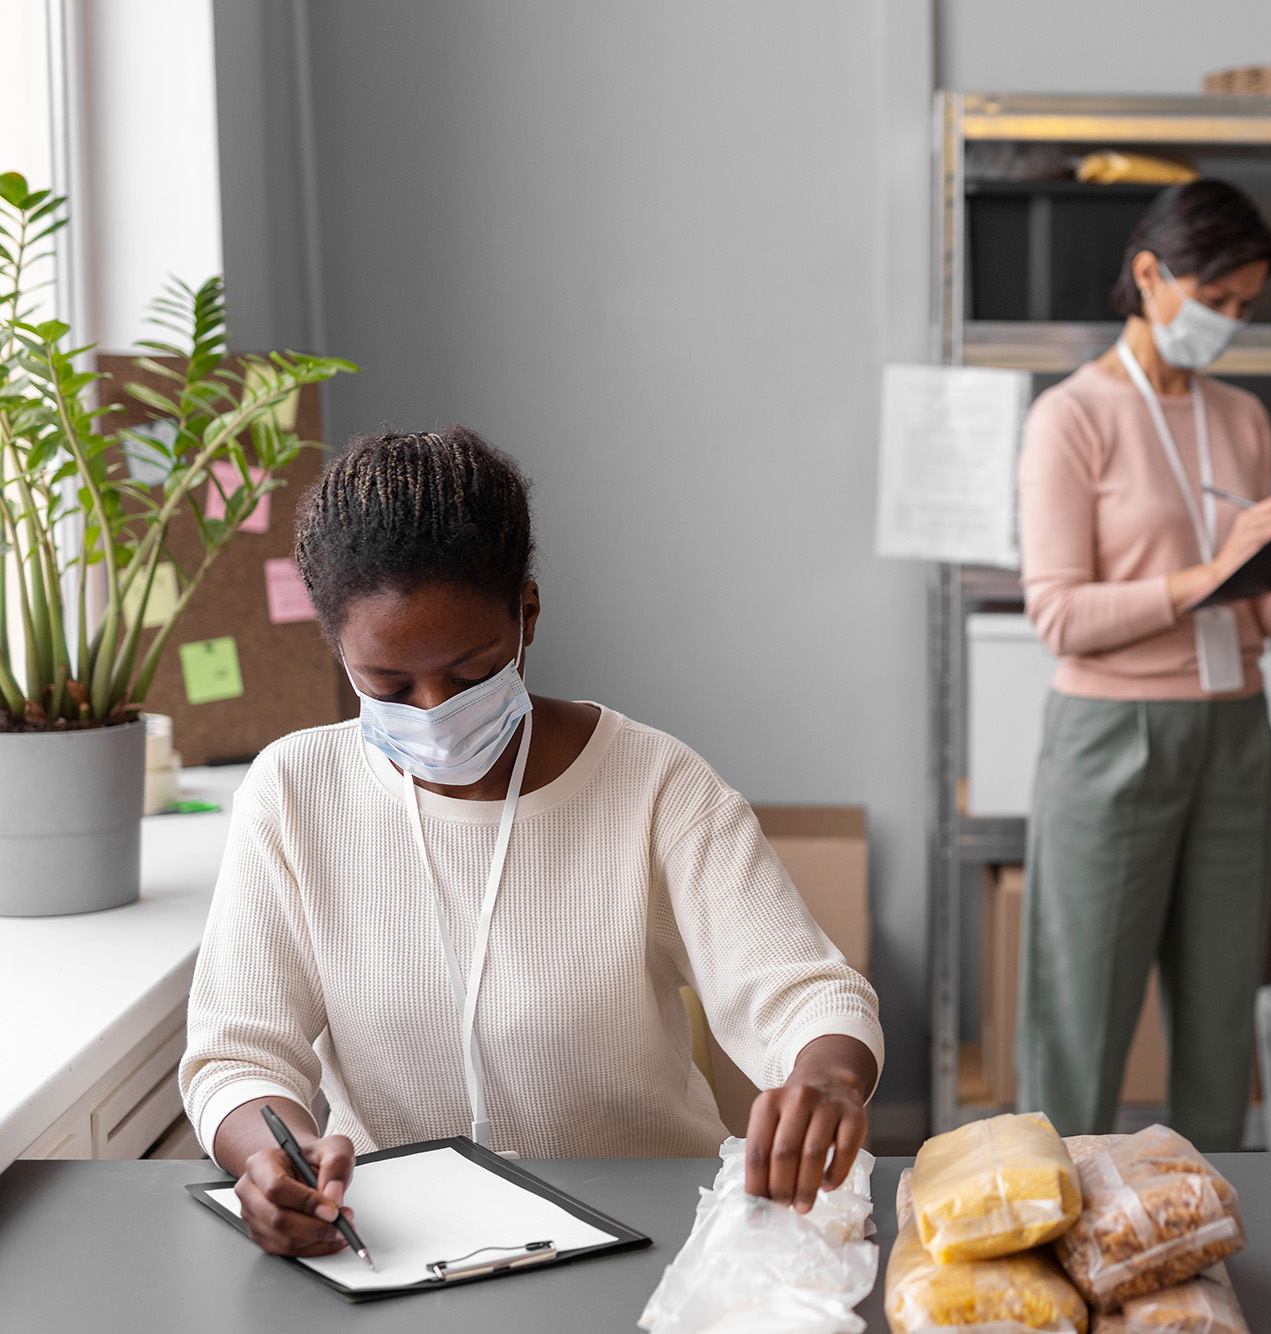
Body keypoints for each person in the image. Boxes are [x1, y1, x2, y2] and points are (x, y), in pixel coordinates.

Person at [179, 427, 882, 1259]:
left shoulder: (656, 786)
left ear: (528, 616)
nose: (435, 709)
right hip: (402, 1255)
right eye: (389, 684)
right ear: (340, 651)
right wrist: (271, 1162)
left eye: (471, 672)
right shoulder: (293, 795)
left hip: (651, 1247)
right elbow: (235, 1053)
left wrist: (823, 1079)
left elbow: (808, 995)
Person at [1015, 180, 1271, 1149]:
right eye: (1216, 297)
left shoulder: (1242, 417)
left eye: (1244, 305)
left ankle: (1209, 1224)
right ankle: (1046, 1218)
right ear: (1148, 274)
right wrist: (1210, 572)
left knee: (1221, 1005)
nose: (1229, 321)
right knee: (1079, 1013)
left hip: (1235, 726)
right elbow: (1057, 613)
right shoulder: (1070, 416)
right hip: (1111, 734)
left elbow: (1249, 600)